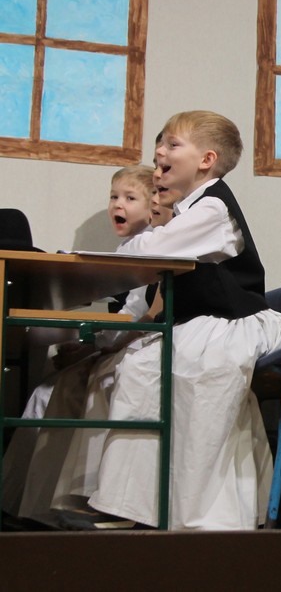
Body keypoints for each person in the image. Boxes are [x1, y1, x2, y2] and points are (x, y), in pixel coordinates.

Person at [56, 110, 281, 530]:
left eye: (172, 144)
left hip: (238, 320)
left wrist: (96, 264)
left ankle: (169, 506)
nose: (160, 151)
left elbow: (150, 250)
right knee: (139, 365)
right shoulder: (191, 210)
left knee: (174, 371)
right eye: (160, 144)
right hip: (208, 318)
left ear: (206, 160)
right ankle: (131, 502)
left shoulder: (213, 208)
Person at [2, 165, 159, 526]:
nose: (118, 204)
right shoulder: (130, 247)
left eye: (130, 198)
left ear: (153, 204)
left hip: (138, 346)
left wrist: (93, 347)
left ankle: (46, 506)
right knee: (47, 389)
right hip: (119, 342)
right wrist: (92, 345)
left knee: (55, 391)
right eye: (114, 197)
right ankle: (25, 502)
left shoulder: (151, 248)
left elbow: (137, 317)